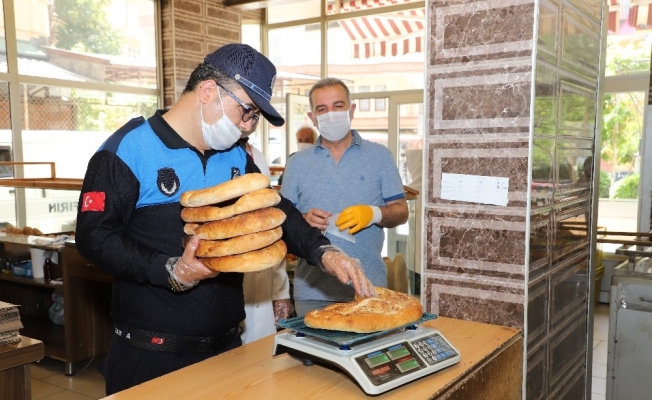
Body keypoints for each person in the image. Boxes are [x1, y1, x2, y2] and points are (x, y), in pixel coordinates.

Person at [75, 44, 376, 395]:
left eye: (255, 117)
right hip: (152, 353)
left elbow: (276, 210)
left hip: (228, 347)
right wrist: (168, 269)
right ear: (208, 91)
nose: (248, 126)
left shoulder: (233, 155)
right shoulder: (129, 148)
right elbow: (94, 236)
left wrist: (324, 252)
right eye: (247, 111)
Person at [280, 77, 409, 316]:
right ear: (313, 117)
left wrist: (374, 213)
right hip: (312, 292)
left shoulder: (380, 156)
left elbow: (401, 211)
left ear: (351, 110)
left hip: (369, 289)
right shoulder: (297, 164)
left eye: (338, 106)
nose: (331, 114)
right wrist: (303, 220)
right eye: (322, 109)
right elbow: (281, 222)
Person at [237, 134, 293, 344]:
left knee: (261, 352)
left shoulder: (258, 156)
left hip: (262, 287)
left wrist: (281, 291)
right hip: (231, 283)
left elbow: (273, 231)